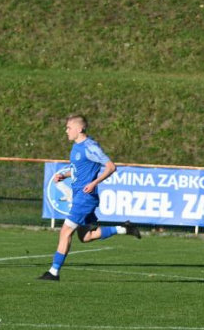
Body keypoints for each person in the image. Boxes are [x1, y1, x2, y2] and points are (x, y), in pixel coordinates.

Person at [39, 115, 141, 282]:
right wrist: (65, 175)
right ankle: (124, 229)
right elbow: (79, 170)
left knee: (65, 232)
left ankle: (53, 272)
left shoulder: (90, 147)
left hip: (85, 198)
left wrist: (94, 183)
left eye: (68, 128)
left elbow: (111, 166)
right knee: (85, 237)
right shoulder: (76, 147)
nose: (66, 131)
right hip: (81, 196)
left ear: (79, 129)